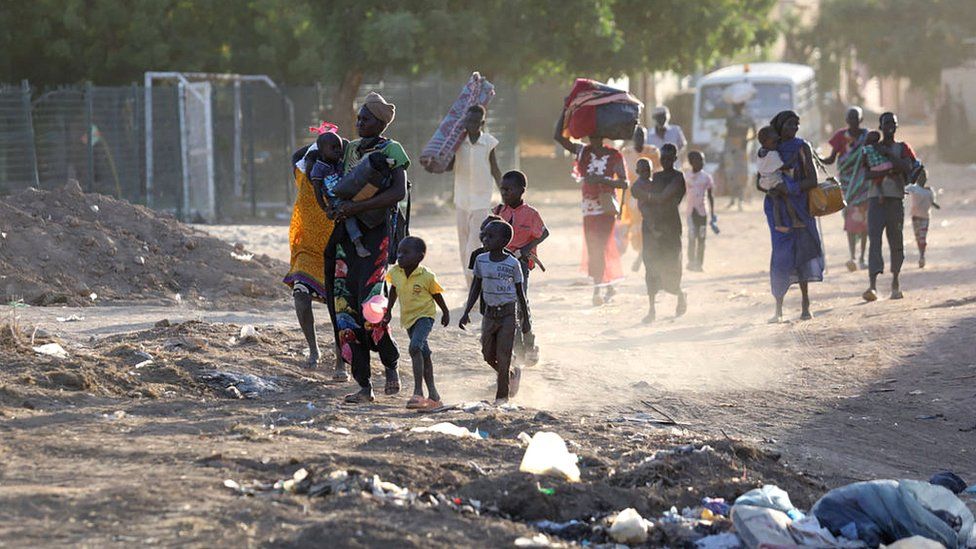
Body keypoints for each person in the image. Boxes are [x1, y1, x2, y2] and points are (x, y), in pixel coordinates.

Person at [326, 91, 409, 403]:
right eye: (358, 118)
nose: (359, 122)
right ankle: (364, 385)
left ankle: (390, 364)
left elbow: (398, 192)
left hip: (377, 236)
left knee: (371, 307)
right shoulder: (350, 150)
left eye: (366, 118)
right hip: (347, 238)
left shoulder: (392, 149)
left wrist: (356, 209)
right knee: (345, 308)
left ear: (381, 122)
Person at [554, 114, 628, 305]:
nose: (593, 137)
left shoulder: (614, 155)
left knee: (599, 246)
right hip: (588, 207)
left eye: (596, 133)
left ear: (602, 135)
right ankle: (607, 285)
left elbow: (624, 182)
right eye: (591, 133)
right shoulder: (582, 152)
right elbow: (559, 137)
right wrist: (566, 110)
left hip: (605, 206)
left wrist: (603, 180)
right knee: (595, 247)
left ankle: (597, 290)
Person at [283, 132, 339, 370]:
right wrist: (320, 141)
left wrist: (330, 145)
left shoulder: (339, 183)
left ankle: (341, 359)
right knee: (300, 295)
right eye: (312, 164)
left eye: (321, 165)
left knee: (339, 309)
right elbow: (297, 156)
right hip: (308, 251)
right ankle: (314, 349)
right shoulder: (302, 178)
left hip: (337, 252)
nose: (315, 170)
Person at [459, 220, 531, 405]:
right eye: (484, 235)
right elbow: (476, 286)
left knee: (503, 355)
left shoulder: (512, 263)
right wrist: (466, 311)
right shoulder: (480, 260)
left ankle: (502, 397)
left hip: (508, 314)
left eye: (490, 236)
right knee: (487, 353)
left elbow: (520, 293)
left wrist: (525, 320)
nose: (485, 239)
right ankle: (509, 373)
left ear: (505, 240)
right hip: (489, 314)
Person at [761, 110, 824, 323]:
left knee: (803, 254)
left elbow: (812, 181)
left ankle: (806, 304)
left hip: (800, 208)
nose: (794, 128)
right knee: (781, 255)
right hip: (778, 211)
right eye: (789, 124)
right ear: (779, 126)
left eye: (796, 124)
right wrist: (774, 188)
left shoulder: (802, 147)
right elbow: (759, 181)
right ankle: (778, 308)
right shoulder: (769, 148)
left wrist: (791, 188)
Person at [862, 112, 924, 302]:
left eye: (893, 123)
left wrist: (889, 156)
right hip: (875, 200)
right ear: (880, 127)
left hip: (895, 199)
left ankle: (895, 282)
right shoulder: (872, 148)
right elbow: (867, 174)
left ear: (897, 127)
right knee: (874, 241)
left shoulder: (902, 147)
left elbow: (908, 168)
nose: (890, 126)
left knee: (896, 242)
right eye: (886, 123)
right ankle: (872, 285)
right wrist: (892, 168)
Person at [383, 236, 450, 410]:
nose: (400, 256)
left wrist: (445, 311)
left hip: (424, 316)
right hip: (408, 319)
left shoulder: (426, 276)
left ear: (419, 257)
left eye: (405, 253)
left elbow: (436, 294)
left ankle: (418, 393)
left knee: (414, 348)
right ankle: (434, 396)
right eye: (399, 252)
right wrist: (388, 310)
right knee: (424, 353)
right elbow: (394, 290)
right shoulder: (395, 272)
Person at [492, 170, 549, 366]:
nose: (504, 192)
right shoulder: (499, 212)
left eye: (509, 189)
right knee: (506, 306)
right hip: (500, 265)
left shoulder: (531, 214)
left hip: (521, 265)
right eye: (502, 189)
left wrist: (525, 249)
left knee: (520, 303)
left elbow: (544, 233)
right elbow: (488, 234)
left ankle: (529, 344)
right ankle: (516, 348)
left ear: (521, 190)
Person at [631, 147, 687, 324]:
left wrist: (644, 195)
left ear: (675, 158)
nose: (666, 161)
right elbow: (640, 196)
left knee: (671, 265)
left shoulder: (678, 178)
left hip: (670, 227)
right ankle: (652, 309)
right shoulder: (656, 177)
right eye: (664, 158)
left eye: (670, 158)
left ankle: (679, 294)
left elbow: (663, 197)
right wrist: (643, 199)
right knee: (652, 267)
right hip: (651, 227)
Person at [449, 105, 502, 285]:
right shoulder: (457, 143)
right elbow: (448, 166)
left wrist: (504, 192)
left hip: (481, 199)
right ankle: (469, 282)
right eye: (468, 121)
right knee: (463, 241)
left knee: (474, 242)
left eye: (475, 121)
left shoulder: (488, 142)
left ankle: (474, 279)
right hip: (462, 199)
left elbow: (495, 168)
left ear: (482, 123)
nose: (470, 124)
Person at [309, 132, 371, 258]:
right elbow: (317, 190)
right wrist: (325, 208)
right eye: (333, 148)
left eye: (339, 147)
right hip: (335, 200)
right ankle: (358, 243)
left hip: (349, 194)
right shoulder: (319, 168)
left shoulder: (340, 163)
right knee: (348, 217)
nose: (338, 150)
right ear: (321, 150)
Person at [823, 107, 870, 271]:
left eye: (856, 119)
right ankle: (852, 257)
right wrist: (815, 157)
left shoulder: (867, 136)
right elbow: (830, 159)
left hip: (864, 184)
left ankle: (863, 257)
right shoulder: (840, 136)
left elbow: (872, 156)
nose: (853, 123)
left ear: (861, 120)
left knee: (865, 222)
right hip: (847, 185)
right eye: (850, 120)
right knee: (850, 221)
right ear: (846, 120)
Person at [621, 125, 661, 271]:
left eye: (642, 135)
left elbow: (657, 175)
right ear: (633, 137)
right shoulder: (626, 153)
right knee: (632, 228)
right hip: (630, 197)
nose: (640, 138)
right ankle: (639, 255)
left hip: (647, 196)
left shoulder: (652, 152)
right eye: (637, 135)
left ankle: (641, 257)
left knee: (646, 226)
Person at [756, 126, 804, 233]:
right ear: (765, 142)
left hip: (764, 182)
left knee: (776, 202)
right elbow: (784, 166)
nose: (776, 145)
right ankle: (795, 220)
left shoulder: (760, 152)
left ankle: (778, 224)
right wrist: (795, 156)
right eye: (774, 142)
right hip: (774, 181)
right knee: (788, 197)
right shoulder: (772, 154)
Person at [684, 150, 716, 272]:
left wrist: (712, 213)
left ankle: (699, 263)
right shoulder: (686, 176)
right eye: (699, 160)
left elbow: (710, 196)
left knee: (701, 238)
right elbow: (682, 193)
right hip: (690, 212)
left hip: (702, 212)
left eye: (703, 160)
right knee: (692, 237)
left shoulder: (706, 178)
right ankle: (691, 262)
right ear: (692, 162)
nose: (702, 163)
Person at [721, 102, 754, 210]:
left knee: (741, 173)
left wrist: (747, 140)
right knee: (731, 174)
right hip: (731, 148)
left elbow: (755, 133)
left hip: (741, 149)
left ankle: (740, 200)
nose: (737, 109)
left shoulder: (747, 119)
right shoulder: (731, 119)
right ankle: (733, 200)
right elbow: (727, 133)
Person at [906, 178, 939, 268]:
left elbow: (932, 202)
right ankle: (921, 254)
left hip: (925, 217)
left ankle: (922, 256)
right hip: (915, 217)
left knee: (922, 238)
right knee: (918, 237)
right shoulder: (913, 188)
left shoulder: (929, 190)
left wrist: (935, 205)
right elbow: (904, 190)